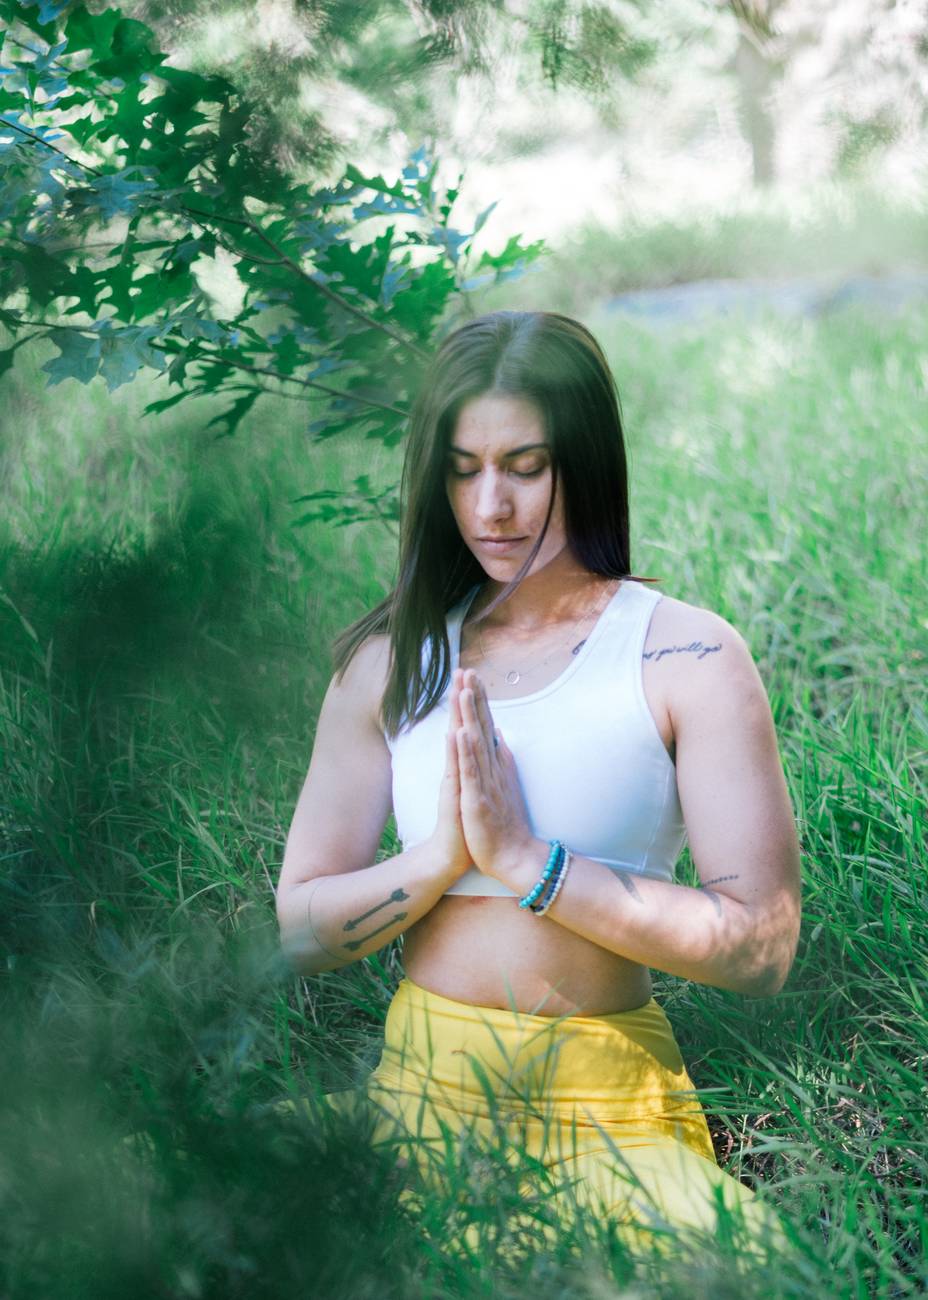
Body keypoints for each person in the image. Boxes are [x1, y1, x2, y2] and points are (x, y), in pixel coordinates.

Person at [275, 309, 802, 1258]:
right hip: (417, 1092)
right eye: (463, 469)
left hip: (606, 1107)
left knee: (740, 1270)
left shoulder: (684, 654)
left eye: (526, 466)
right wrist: (438, 861)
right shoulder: (389, 664)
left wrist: (531, 863)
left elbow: (758, 950)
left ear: (586, 461)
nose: (492, 507)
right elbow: (300, 928)